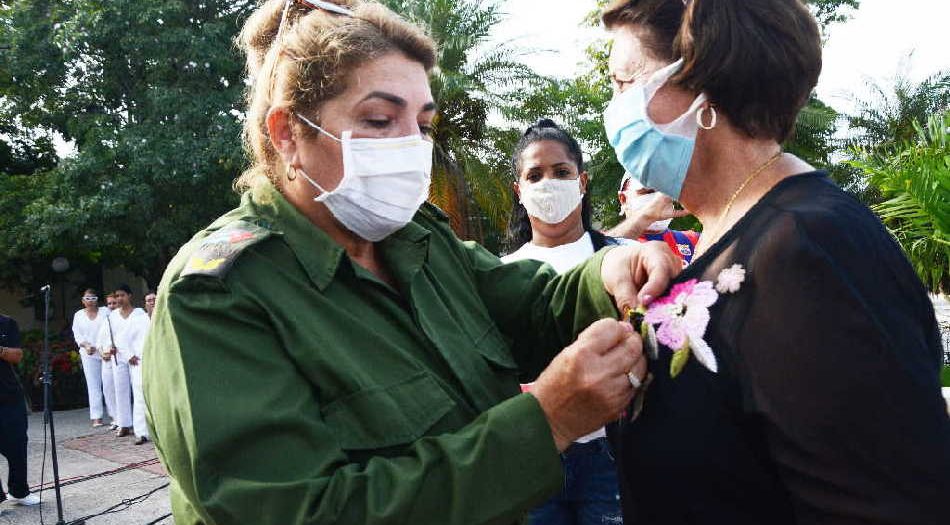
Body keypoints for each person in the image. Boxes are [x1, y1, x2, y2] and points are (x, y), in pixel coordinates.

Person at [143, 1, 679, 523]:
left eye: (422, 124)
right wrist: (548, 421)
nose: (409, 147)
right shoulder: (217, 297)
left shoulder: (416, 239)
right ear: (287, 133)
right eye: (379, 120)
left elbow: (531, 303)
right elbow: (297, 509)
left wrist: (609, 271)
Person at [600, 1, 950, 523]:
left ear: (702, 91)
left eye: (625, 84)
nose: (614, 107)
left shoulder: (803, 247)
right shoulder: (731, 234)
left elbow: (887, 500)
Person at [501, 119, 623, 525]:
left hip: (614, 456)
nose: (548, 184)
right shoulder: (499, 275)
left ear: (582, 181)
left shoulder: (620, 259)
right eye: (534, 175)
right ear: (519, 191)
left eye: (561, 172)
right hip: (534, 458)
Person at [608, 172, 699, 266]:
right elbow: (597, 256)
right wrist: (646, 216)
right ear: (623, 199)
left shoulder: (691, 240)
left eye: (666, 190)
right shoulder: (609, 244)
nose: (660, 199)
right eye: (649, 192)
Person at [0, 314, 40, 510]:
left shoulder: (7, 323)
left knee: (17, 444)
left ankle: (19, 491)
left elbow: (16, 355)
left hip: (8, 395)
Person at [97, 284, 147, 438]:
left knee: (138, 391)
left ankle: (141, 430)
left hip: (136, 357)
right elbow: (105, 337)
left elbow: (143, 336)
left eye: (122, 295)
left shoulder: (139, 314)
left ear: (129, 296)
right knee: (120, 391)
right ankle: (123, 423)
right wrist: (107, 348)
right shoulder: (112, 317)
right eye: (117, 296)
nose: (119, 299)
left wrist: (133, 354)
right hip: (118, 357)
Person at [71, 288, 111, 427]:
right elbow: (77, 334)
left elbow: (110, 330)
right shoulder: (79, 315)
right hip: (88, 353)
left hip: (105, 352)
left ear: (97, 300)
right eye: (87, 298)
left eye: (93, 298)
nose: (90, 301)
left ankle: (114, 415)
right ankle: (96, 417)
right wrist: (86, 345)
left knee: (109, 384)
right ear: (83, 301)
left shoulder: (105, 311)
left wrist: (105, 347)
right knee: (93, 385)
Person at [100, 292, 119, 430]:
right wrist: (102, 353)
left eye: (114, 303)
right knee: (108, 389)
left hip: (119, 359)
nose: (112, 306)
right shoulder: (105, 320)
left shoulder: (123, 319)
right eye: (109, 304)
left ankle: (124, 420)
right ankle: (115, 418)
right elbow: (99, 341)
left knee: (120, 390)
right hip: (106, 359)